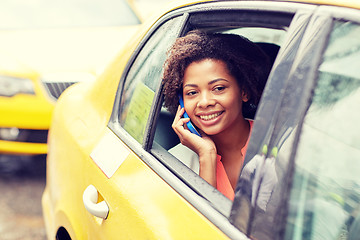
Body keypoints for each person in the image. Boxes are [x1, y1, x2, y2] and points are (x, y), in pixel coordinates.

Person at [162, 30, 270, 200]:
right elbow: (197, 225)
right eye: (192, 92)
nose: (204, 102)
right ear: (181, 103)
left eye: (218, 88)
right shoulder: (175, 162)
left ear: (244, 91)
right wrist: (207, 155)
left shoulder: (277, 140)